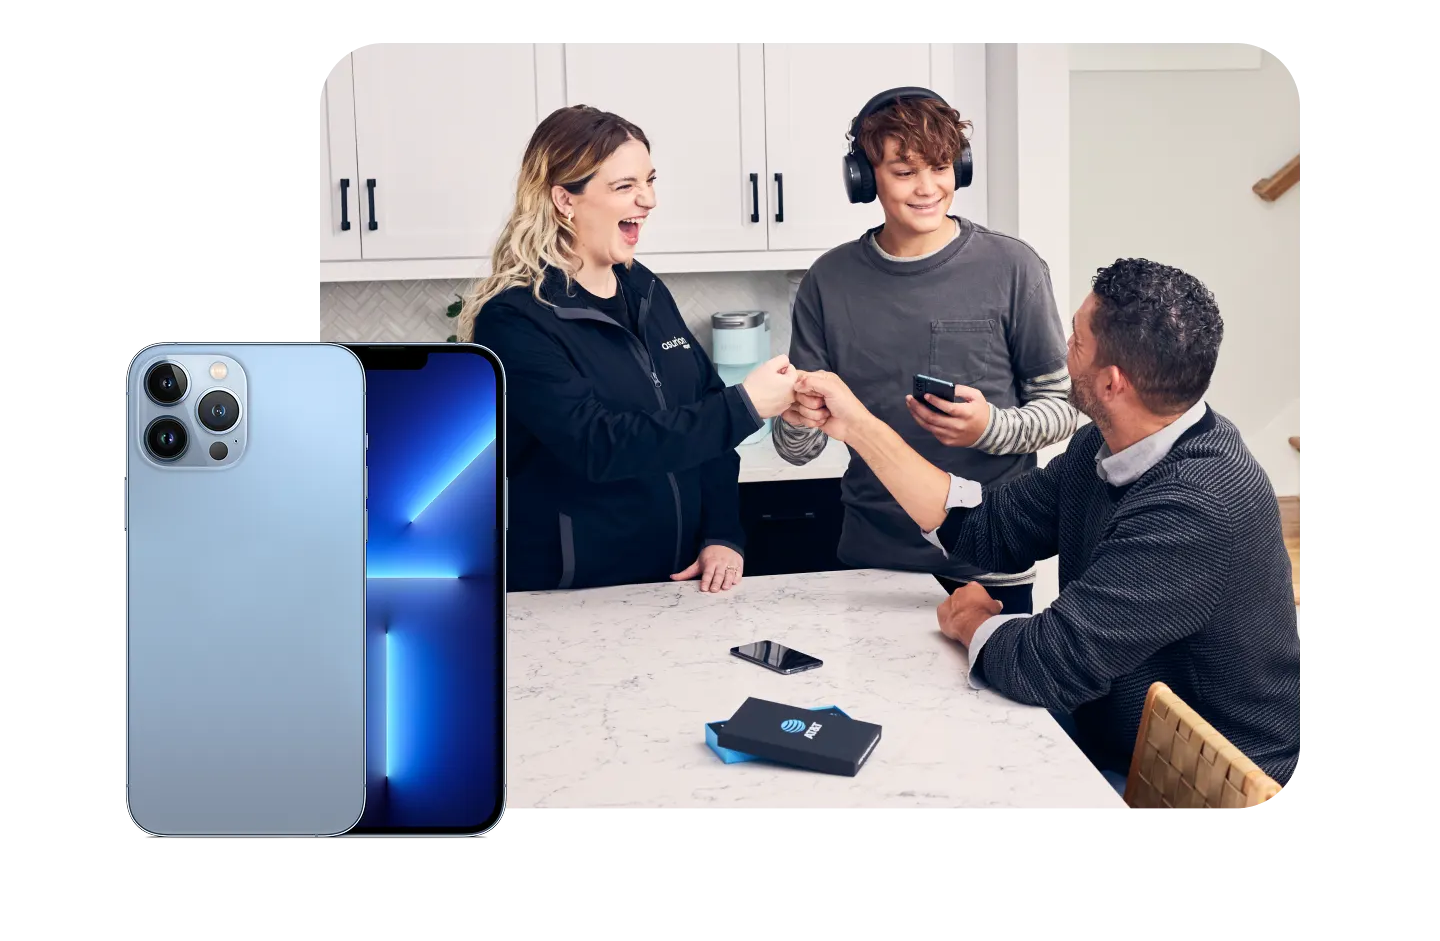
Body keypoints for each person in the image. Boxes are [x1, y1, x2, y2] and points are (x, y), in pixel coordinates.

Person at [787, 258, 1303, 793]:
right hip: (1117, 746)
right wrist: (857, 427)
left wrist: (970, 623)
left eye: (1076, 340)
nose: (1064, 352)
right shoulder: (1104, 446)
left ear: (1111, 383)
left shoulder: (1198, 505)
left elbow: (1046, 666)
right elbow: (987, 527)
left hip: (1206, 786)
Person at [458, 105, 798, 594]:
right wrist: (743, 406)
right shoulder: (515, 319)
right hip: (574, 596)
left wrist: (722, 533)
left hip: (678, 584)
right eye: (625, 186)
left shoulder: (645, 289)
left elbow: (707, 419)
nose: (649, 200)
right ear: (564, 199)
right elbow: (598, 445)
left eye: (650, 181)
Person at [774, 88, 1079, 616]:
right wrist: (799, 419)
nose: (927, 188)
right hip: (872, 559)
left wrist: (988, 428)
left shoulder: (1014, 268)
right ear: (864, 178)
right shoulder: (828, 280)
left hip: (988, 562)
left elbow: (1063, 409)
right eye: (904, 171)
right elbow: (795, 450)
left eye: (940, 168)